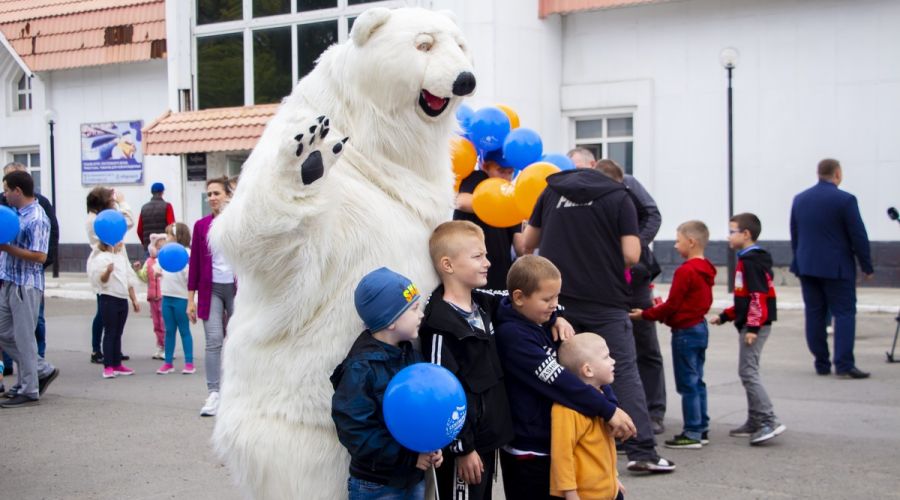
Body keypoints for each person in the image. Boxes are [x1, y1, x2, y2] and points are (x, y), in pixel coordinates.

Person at [523, 161, 674, 473]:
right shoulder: (619, 197)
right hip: (606, 299)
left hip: (558, 299)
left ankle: (565, 446)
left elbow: (528, 244)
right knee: (622, 370)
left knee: (561, 368)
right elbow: (632, 254)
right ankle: (641, 450)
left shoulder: (551, 191)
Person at [495, 255, 635, 500]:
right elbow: (560, 380)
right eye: (547, 299)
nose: (554, 305)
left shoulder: (546, 322)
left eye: (557, 297)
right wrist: (607, 410)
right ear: (518, 297)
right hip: (529, 451)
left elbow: (584, 370)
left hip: (554, 442)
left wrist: (610, 404)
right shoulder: (514, 336)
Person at [419, 220, 515, 500]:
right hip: (465, 449)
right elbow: (441, 393)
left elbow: (524, 303)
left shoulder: (483, 304)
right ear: (448, 265)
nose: (487, 262)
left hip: (488, 440)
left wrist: (558, 319)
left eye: (485, 254)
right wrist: (463, 448)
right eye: (477, 256)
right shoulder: (439, 325)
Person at [331, 267, 442, 499]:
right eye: (413, 309)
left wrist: (431, 444)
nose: (421, 314)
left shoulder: (409, 354)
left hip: (412, 477)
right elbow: (355, 431)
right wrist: (409, 457)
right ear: (390, 321)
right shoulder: (361, 368)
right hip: (378, 486)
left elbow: (421, 410)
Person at [579, 151, 668, 435]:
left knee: (646, 347)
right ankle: (614, 412)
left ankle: (654, 411)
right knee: (606, 351)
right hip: (601, 280)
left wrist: (632, 243)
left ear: (593, 164)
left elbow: (653, 215)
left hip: (634, 276)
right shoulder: (574, 192)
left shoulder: (625, 183)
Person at [630, 221, 716, 450]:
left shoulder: (685, 271)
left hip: (685, 332)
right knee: (698, 380)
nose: (676, 246)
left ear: (691, 241)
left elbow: (673, 305)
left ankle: (692, 431)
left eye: (678, 241)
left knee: (687, 383)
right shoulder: (707, 268)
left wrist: (646, 314)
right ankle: (702, 426)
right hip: (700, 327)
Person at [790, 158, 873, 379]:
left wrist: (799, 262)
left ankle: (821, 363)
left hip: (807, 266)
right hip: (837, 268)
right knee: (844, 313)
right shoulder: (845, 200)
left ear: (818, 173)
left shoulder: (800, 199)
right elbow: (858, 235)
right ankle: (844, 365)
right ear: (837, 174)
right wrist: (866, 265)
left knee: (814, 314)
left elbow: (795, 235)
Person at [711, 213, 786, 445]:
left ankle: (767, 420)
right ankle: (755, 420)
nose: (728, 236)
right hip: (751, 323)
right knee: (747, 372)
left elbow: (758, 297)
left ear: (746, 234)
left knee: (748, 373)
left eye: (732, 231)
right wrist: (725, 316)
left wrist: (753, 326)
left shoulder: (752, 261)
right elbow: (744, 299)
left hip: (755, 327)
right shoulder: (747, 260)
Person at [0, 171, 59, 407]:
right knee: (4, 332)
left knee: (24, 338)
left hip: (26, 285)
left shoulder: (37, 217)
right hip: (9, 281)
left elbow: (39, 255)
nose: (4, 194)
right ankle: (41, 369)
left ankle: (29, 388)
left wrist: (6, 248)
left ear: (17, 191)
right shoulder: (16, 214)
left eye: (6, 190)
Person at [551, 334, 625, 500]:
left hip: (609, 491)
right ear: (588, 370)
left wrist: (614, 479)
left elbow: (605, 449)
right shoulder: (565, 409)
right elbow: (562, 456)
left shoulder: (601, 396)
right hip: (586, 495)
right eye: (606, 357)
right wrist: (570, 493)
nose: (613, 361)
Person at [188, 177, 235, 416]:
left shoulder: (238, 222)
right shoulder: (200, 226)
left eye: (216, 193)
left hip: (238, 291)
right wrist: (190, 300)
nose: (212, 198)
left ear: (228, 195)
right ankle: (214, 393)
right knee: (214, 340)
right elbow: (195, 264)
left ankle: (239, 394)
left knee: (239, 342)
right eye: (209, 194)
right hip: (212, 289)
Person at [453, 161, 524, 290]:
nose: (505, 177)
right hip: (471, 271)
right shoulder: (479, 177)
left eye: (510, 172)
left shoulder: (510, 195)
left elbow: (521, 247)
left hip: (499, 275)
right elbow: (461, 202)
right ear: (485, 167)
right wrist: (500, 204)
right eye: (501, 171)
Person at [86, 186, 134, 365]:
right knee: (104, 312)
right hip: (104, 267)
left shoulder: (101, 217)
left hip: (113, 264)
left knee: (112, 314)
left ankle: (113, 350)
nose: (113, 202)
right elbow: (128, 221)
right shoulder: (97, 219)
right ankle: (97, 349)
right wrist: (122, 202)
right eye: (110, 200)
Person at [89, 239, 141, 379]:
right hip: (108, 298)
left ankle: (117, 364)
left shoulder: (121, 259)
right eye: (118, 240)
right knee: (110, 332)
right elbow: (101, 280)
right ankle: (108, 366)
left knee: (118, 333)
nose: (121, 242)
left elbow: (129, 280)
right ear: (108, 242)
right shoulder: (101, 258)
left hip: (122, 299)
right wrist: (107, 271)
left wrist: (134, 299)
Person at [156, 223, 194, 375]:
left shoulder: (187, 253)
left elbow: (189, 275)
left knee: (184, 330)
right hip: (167, 296)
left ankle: (189, 363)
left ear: (178, 236)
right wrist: (157, 271)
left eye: (169, 235)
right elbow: (159, 266)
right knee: (169, 331)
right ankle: (168, 362)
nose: (167, 238)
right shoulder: (165, 252)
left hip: (181, 298)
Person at [134, 234, 167, 359]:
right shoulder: (148, 262)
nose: (159, 248)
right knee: (157, 324)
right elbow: (144, 276)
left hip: (164, 297)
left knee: (165, 324)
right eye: (157, 245)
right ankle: (159, 346)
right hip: (153, 298)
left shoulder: (165, 260)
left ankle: (167, 348)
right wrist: (137, 270)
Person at [136, 182, 175, 251]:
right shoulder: (167, 206)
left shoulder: (144, 208)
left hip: (150, 247)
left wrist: (146, 243)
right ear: (162, 192)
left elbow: (139, 230)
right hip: (164, 246)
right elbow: (171, 227)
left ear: (152, 192)